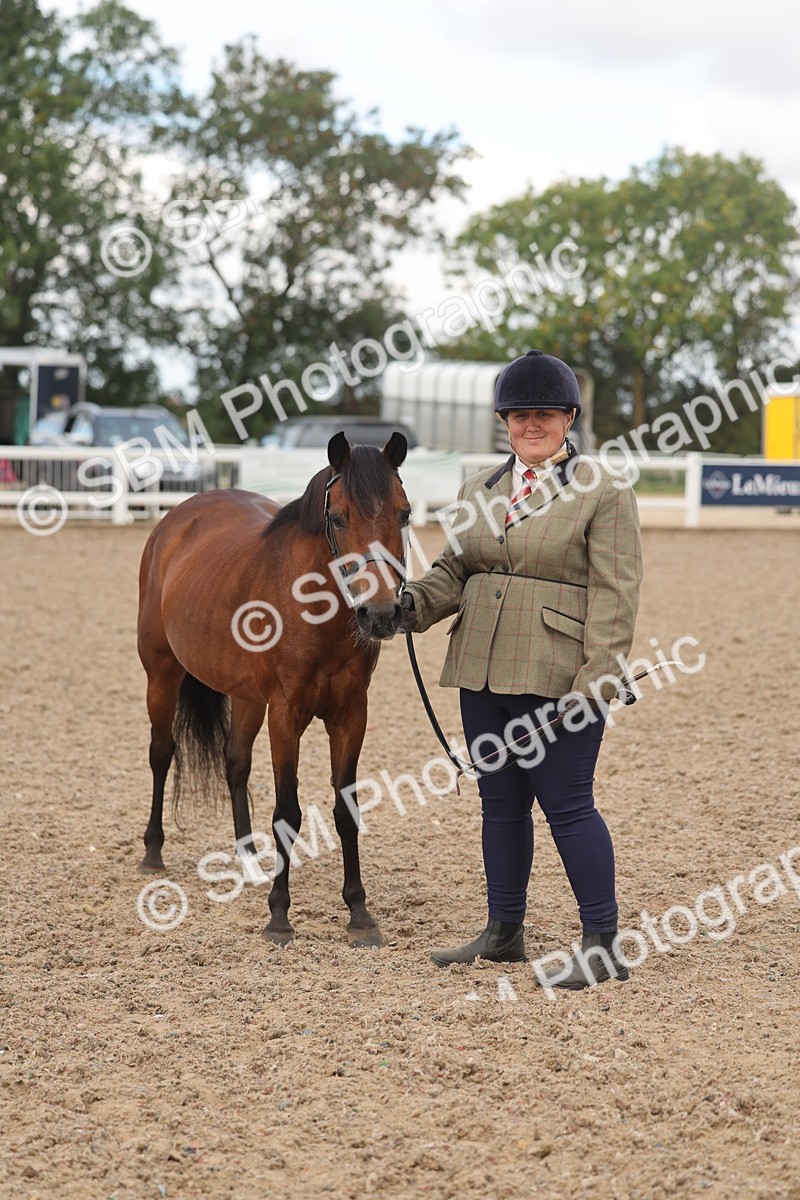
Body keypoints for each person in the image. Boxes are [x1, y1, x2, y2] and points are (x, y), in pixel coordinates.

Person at [399, 349, 643, 989]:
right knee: (499, 804)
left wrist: (598, 683)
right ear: (504, 420)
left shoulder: (604, 491)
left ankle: (602, 943)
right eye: (519, 414)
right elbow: (456, 570)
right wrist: (411, 606)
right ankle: (504, 929)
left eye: (545, 413)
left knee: (568, 805)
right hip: (479, 667)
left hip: (555, 672)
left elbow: (617, 594)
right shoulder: (479, 489)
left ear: (568, 419)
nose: (531, 424)